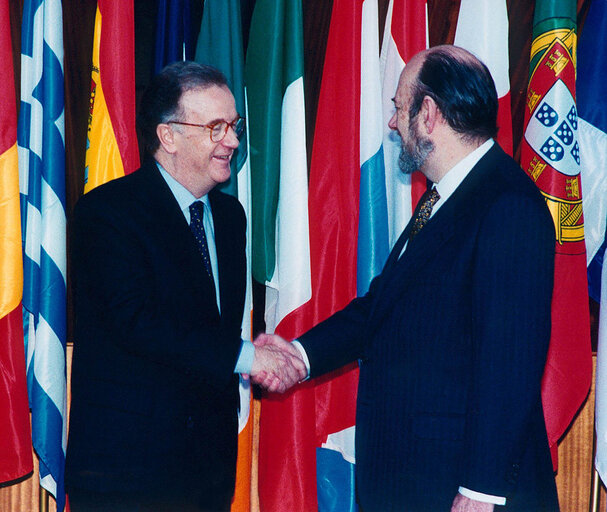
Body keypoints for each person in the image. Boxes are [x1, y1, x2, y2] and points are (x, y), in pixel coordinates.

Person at [254, 45, 559, 511]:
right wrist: (300, 354)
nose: (393, 124)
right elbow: (385, 306)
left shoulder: (507, 205)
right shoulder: (443, 199)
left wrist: (481, 490)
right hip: (417, 478)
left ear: (429, 113)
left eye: (399, 108)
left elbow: (510, 360)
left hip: (462, 486)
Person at [66, 61, 306, 512]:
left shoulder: (231, 218)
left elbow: (208, 329)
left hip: (208, 473)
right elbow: (139, 324)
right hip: (129, 477)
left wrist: (257, 351)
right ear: (168, 136)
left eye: (234, 126)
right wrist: (249, 356)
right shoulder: (109, 213)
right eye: (216, 128)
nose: (233, 141)